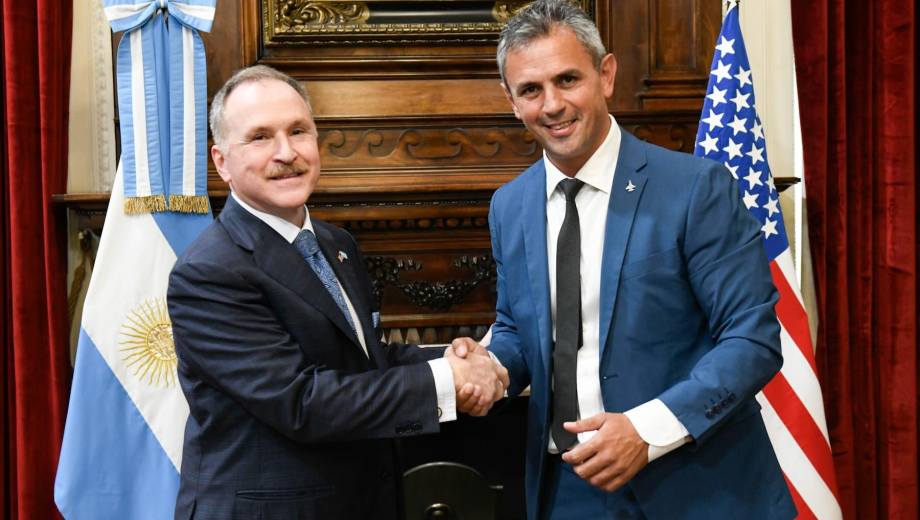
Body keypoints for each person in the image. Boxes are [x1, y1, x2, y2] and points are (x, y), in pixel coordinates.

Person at [479, 1, 797, 518]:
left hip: (699, 484)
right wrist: (489, 368)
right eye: (532, 90)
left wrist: (647, 431)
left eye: (567, 79)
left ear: (606, 75)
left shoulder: (695, 189)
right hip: (569, 491)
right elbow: (518, 328)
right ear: (512, 101)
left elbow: (751, 339)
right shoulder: (509, 205)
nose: (553, 104)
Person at [166, 65, 507, 520]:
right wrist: (449, 380)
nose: (286, 152)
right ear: (222, 161)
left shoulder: (335, 244)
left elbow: (363, 362)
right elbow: (301, 402)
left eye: (298, 131)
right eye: (261, 137)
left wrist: (458, 355)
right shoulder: (209, 272)